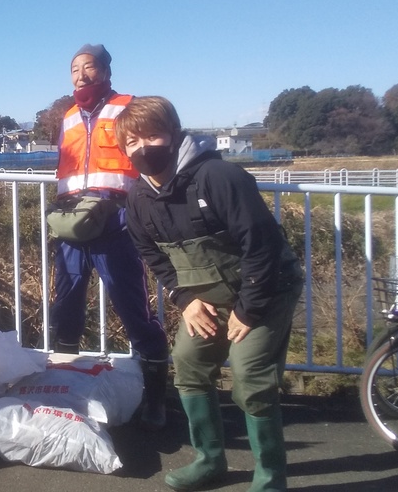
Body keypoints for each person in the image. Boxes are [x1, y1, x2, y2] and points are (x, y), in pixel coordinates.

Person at [114, 96, 303, 492]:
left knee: (250, 378)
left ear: (174, 134)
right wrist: (184, 299)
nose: (142, 147)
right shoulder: (138, 199)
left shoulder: (219, 177)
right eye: (132, 141)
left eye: (152, 135)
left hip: (265, 292)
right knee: (188, 365)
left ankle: (270, 477)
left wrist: (249, 311)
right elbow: (152, 255)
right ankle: (209, 460)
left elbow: (262, 246)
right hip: (206, 299)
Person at [48, 44, 170, 431]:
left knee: (130, 303)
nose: (81, 75)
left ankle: (156, 399)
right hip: (72, 219)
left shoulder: (128, 107)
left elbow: (153, 151)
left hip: (117, 217)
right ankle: (66, 388)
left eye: (89, 67)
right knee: (65, 304)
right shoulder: (67, 116)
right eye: (74, 69)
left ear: (106, 71)